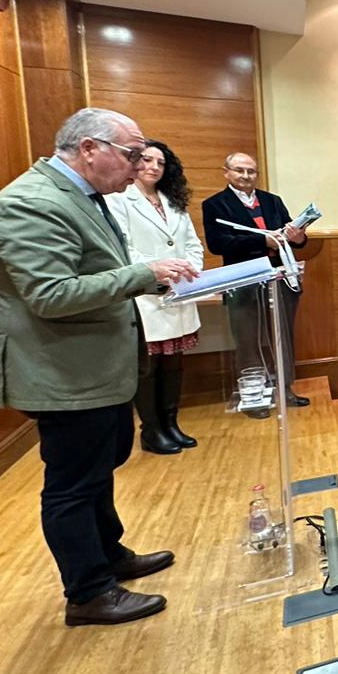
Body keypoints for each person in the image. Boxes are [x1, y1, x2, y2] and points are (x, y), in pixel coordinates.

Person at [0, 108, 195, 626]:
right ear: (89, 149)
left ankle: (109, 556)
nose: (139, 164)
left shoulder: (82, 198)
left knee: (100, 469)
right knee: (73, 485)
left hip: (95, 367)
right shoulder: (30, 204)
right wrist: (141, 273)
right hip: (62, 371)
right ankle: (88, 591)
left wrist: (145, 276)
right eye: (131, 154)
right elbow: (49, 295)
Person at [109, 139, 205, 454]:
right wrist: (158, 270)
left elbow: (192, 244)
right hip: (146, 293)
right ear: (134, 162)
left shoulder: (173, 201)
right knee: (149, 367)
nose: (153, 167)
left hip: (180, 291)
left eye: (160, 163)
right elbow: (122, 247)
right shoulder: (120, 200)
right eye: (147, 160)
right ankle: (151, 430)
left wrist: (188, 270)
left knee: (173, 364)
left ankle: (171, 423)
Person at [203, 151, 309, 410]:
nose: (246, 176)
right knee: (247, 338)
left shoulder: (272, 201)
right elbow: (218, 244)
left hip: (280, 279)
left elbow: (293, 237)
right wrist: (262, 240)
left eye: (251, 171)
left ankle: (285, 390)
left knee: (282, 337)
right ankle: (253, 398)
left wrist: (297, 238)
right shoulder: (215, 204)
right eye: (239, 170)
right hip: (243, 281)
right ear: (226, 172)